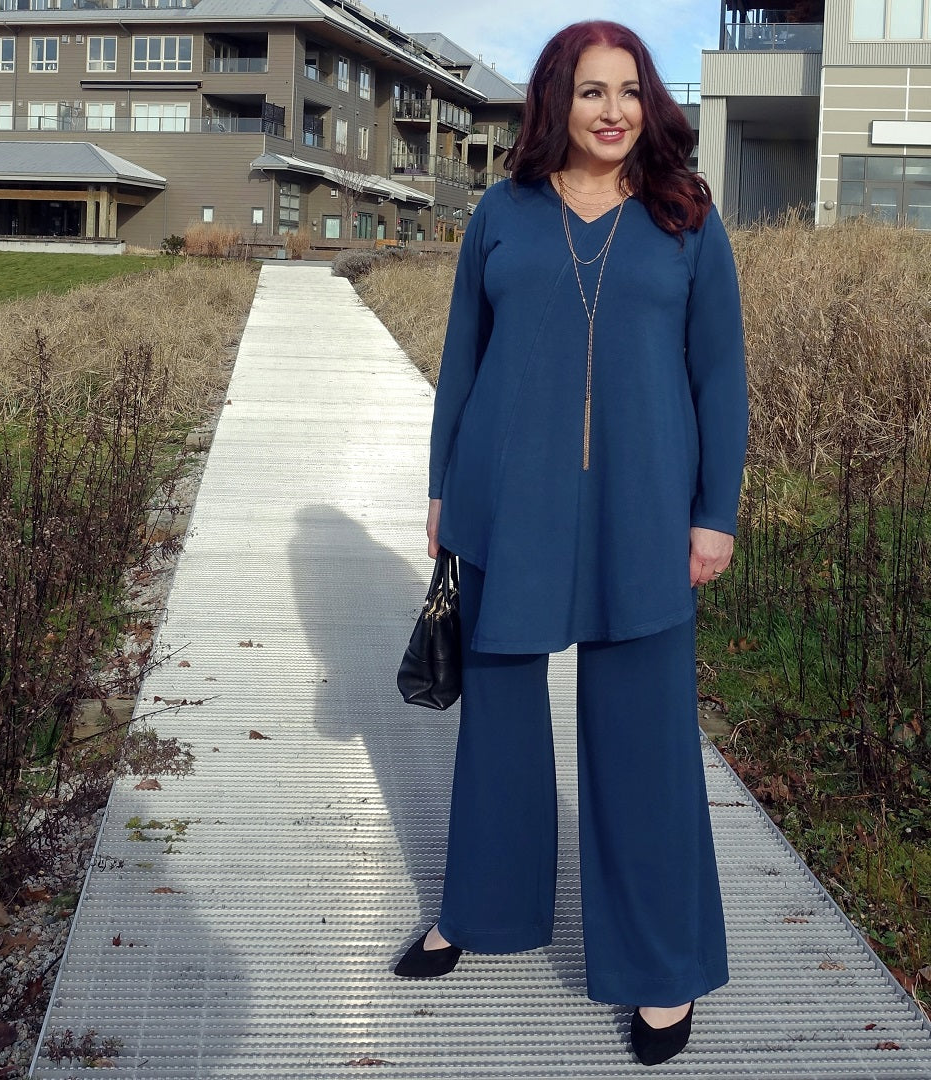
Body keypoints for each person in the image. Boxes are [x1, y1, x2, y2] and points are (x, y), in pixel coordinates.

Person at [393, 20, 748, 1069]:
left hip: (645, 515)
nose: (611, 110)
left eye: (628, 91)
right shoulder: (501, 213)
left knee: (644, 748)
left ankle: (660, 968)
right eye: (591, 90)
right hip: (511, 506)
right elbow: (464, 359)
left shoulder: (688, 216)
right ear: (556, 101)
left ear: (649, 105)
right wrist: (442, 491)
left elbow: (720, 376)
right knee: (497, 724)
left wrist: (714, 511)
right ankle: (478, 910)